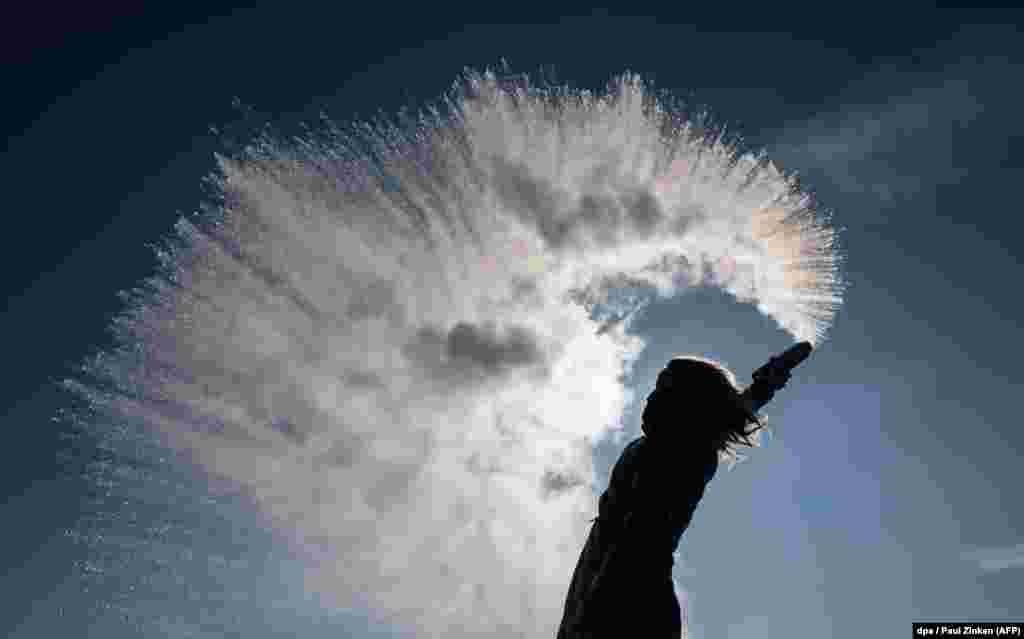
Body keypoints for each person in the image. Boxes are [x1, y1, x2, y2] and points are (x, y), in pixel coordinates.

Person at [555, 355, 792, 639]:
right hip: (613, 591)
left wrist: (592, 610)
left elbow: (637, 542)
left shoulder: (675, 454)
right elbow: (730, 413)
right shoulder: (673, 445)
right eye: (655, 389)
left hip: (624, 599)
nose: (650, 399)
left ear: (686, 405)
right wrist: (765, 385)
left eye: (663, 391)